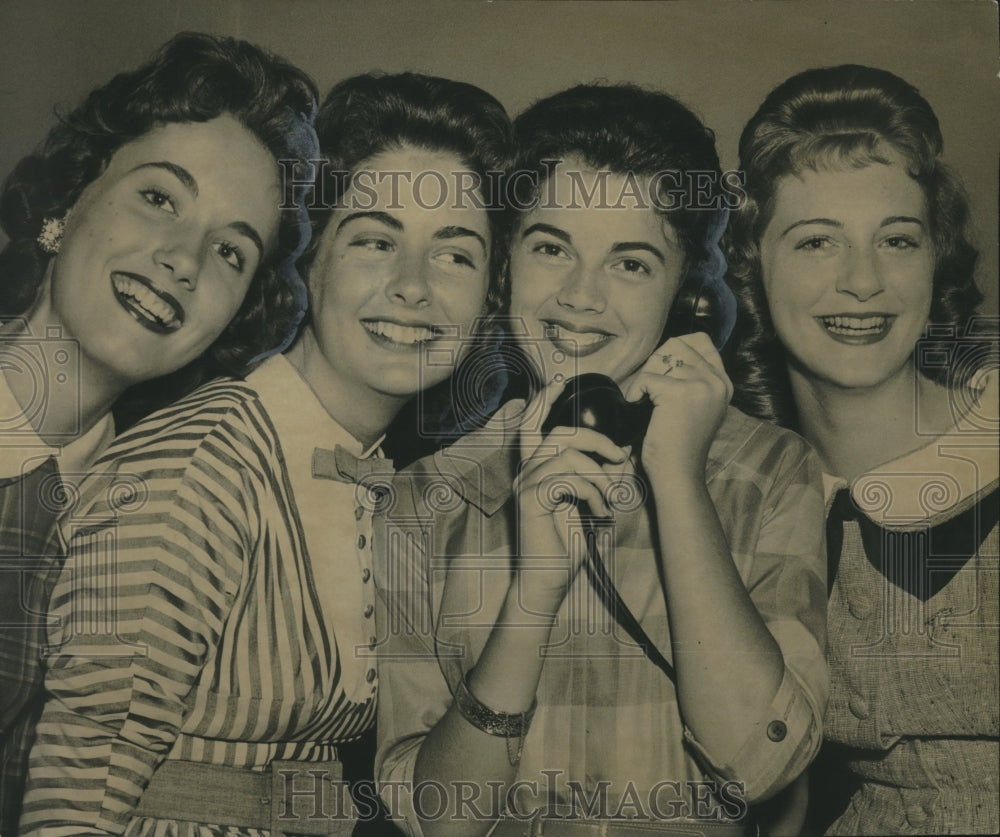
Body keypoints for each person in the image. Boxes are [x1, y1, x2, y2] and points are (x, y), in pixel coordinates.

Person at [18, 71, 512, 836]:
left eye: (455, 255)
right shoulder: (197, 467)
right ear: (308, 263)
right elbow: (77, 794)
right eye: (375, 240)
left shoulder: (391, 487)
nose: (413, 287)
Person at [374, 84, 829, 837]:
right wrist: (532, 596)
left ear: (683, 288)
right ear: (505, 263)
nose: (581, 297)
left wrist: (680, 483)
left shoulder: (772, 470)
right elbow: (439, 820)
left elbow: (760, 761)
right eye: (552, 247)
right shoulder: (423, 500)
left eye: (631, 263)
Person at [0, 31, 318, 835]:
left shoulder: (154, 533)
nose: (183, 259)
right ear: (66, 204)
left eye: (231, 251)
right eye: (159, 197)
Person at [726, 64, 998, 835]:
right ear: (751, 267)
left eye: (898, 240)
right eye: (816, 242)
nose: (863, 281)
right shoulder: (746, 502)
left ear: (934, 256)